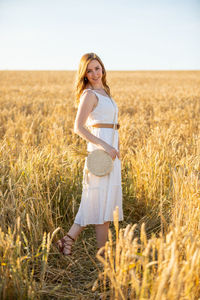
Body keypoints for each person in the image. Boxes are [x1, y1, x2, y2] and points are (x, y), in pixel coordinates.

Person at [56, 53, 123, 256]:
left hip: (112, 152)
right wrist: (105, 146)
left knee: (99, 201)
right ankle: (102, 254)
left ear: (102, 68)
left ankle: (67, 241)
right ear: (84, 74)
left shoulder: (105, 92)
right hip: (100, 151)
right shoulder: (89, 95)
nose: (94, 73)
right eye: (89, 70)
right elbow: (78, 128)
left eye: (97, 68)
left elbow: (112, 126)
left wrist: (117, 149)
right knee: (98, 199)